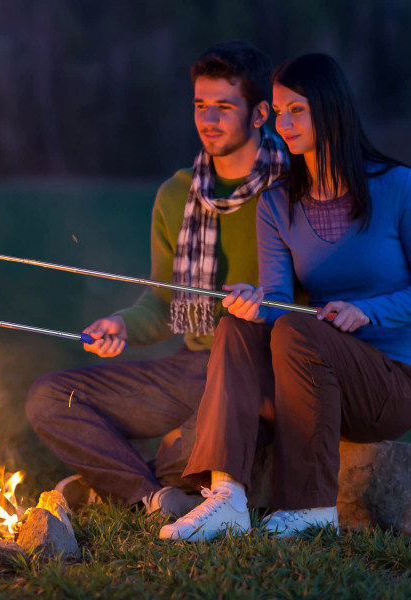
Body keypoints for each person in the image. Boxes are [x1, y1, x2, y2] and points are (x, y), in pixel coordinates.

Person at [25, 41, 288, 517]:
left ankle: (130, 484)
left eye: (224, 107)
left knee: (197, 438)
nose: (208, 120)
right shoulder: (177, 195)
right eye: (200, 105)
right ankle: (154, 494)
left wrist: (266, 302)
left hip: (261, 371)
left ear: (259, 113)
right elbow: (167, 300)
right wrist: (123, 325)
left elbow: (319, 292)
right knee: (49, 399)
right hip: (191, 368)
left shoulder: (294, 189)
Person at [160, 53, 411, 541]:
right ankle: (226, 496)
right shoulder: (277, 203)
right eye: (278, 112)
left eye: (296, 110)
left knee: (298, 328)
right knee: (237, 325)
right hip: (315, 379)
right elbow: (278, 300)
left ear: (330, 108)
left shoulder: (399, 187)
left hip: (391, 385)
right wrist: (258, 301)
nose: (283, 123)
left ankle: (311, 508)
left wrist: (368, 311)